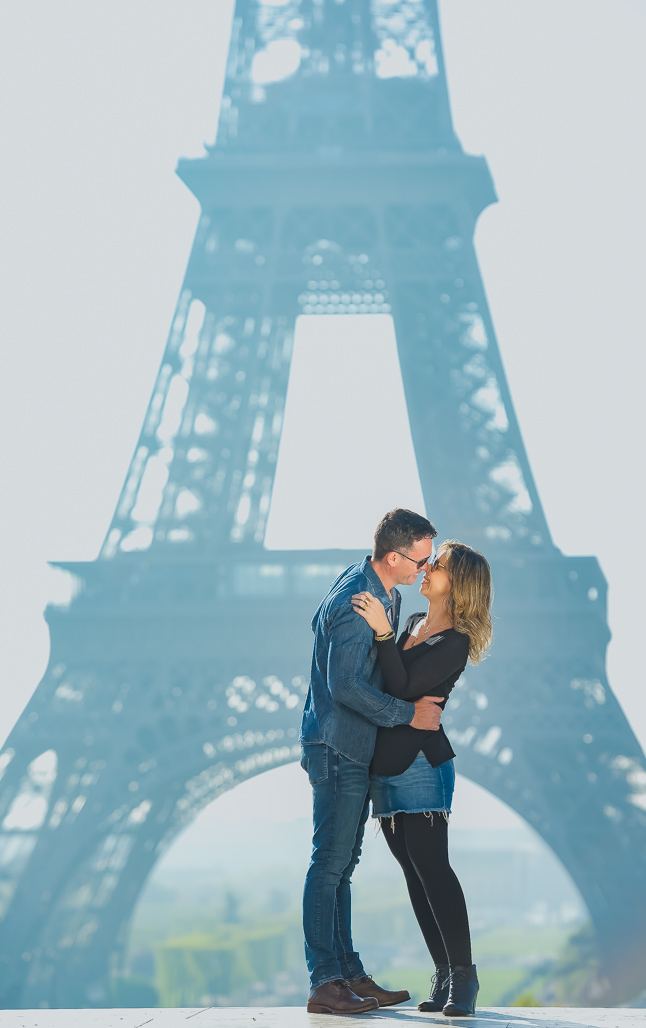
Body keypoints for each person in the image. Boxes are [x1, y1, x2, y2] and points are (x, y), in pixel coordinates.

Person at [300, 509, 445, 1015]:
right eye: (421, 560)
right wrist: (408, 714)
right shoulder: (354, 605)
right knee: (330, 864)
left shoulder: (383, 592)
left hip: (351, 745)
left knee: (342, 865)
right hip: (339, 748)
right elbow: (344, 686)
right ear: (393, 556)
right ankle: (326, 982)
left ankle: (348, 974)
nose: (426, 569)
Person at [351, 540, 493, 1017]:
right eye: (429, 560)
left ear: (461, 585)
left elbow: (404, 687)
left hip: (421, 765)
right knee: (415, 876)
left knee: (434, 870)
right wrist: (389, 638)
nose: (427, 567)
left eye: (440, 565)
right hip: (386, 763)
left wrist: (382, 637)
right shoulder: (411, 624)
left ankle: (465, 979)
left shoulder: (455, 642)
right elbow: (386, 690)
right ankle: (446, 973)